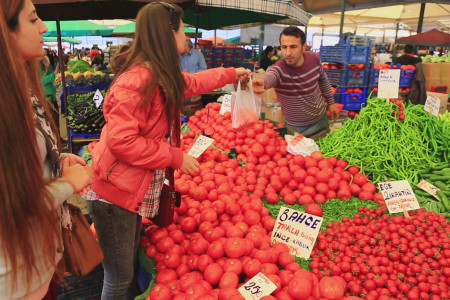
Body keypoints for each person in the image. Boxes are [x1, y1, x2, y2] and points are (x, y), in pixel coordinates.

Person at [83, 2, 249, 298]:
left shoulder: (158, 75)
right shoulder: (137, 81)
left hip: (127, 191)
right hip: (113, 195)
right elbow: (123, 143)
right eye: (183, 29)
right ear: (167, 33)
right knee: (119, 277)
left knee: (125, 272)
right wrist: (175, 156)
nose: (186, 35)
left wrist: (231, 73)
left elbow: (194, 82)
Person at [0, 0, 94, 299]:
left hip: (39, 263)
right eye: (32, 20)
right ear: (5, 32)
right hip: (15, 280)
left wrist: (54, 161)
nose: (43, 27)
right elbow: (12, 209)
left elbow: (25, 171)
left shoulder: (23, 92)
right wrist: (67, 184)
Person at [253, 26, 339, 138]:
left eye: (293, 47)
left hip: (320, 121)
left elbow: (323, 79)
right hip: (296, 129)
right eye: (284, 47)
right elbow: (270, 76)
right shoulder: (278, 69)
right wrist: (262, 82)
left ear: (304, 47)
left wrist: (331, 103)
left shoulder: (314, 59)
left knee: (325, 153)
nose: (288, 53)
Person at [40, 55, 59, 128]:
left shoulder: (43, 65)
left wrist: (48, 66)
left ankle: (57, 136)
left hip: (51, 95)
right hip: (46, 97)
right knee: (51, 119)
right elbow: (41, 81)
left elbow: (50, 76)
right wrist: (53, 74)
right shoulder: (35, 68)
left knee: (55, 118)